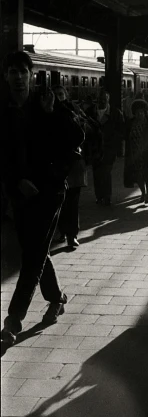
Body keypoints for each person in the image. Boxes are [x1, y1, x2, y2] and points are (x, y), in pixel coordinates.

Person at [0, 51, 85, 345]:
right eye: (13, 72)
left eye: (23, 72)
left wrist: (54, 113)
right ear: (6, 76)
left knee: (33, 255)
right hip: (20, 193)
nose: (18, 77)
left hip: (49, 191)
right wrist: (16, 182)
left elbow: (78, 136)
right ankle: (57, 297)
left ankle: (13, 321)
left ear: (30, 75)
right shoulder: (4, 110)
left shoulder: (46, 102)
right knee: (34, 250)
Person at [52, 85, 89, 249]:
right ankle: (62, 231)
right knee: (58, 201)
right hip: (56, 164)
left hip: (73, 162)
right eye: (55, 95)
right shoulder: (48, 112)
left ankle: (72, 235)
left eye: (61, 94)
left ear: (66, 95)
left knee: (73, 202)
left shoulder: (74, 110)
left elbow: (83, 133)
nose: (59, 97)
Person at [86, 88, 125, 206]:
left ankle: (107, 196)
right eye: (100, 99)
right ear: (97, 99)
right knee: (97, 173)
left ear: (108, 99)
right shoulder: (90, 112)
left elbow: (121, 130)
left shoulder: (115, 113)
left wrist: (117, 147)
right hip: (95, 148)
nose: (102, 101)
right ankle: (99, 196)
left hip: (109, 148)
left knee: (106, 172)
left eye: (105, 99)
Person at [123, 98, 148, 203]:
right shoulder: (130, 123)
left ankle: (147, 193)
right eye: (137, 112)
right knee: (138, 174)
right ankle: (143, 192)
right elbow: (125, 135)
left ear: (145, 112)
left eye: (142, 112)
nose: (140, 114)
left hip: (147, 153)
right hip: (134, 153)